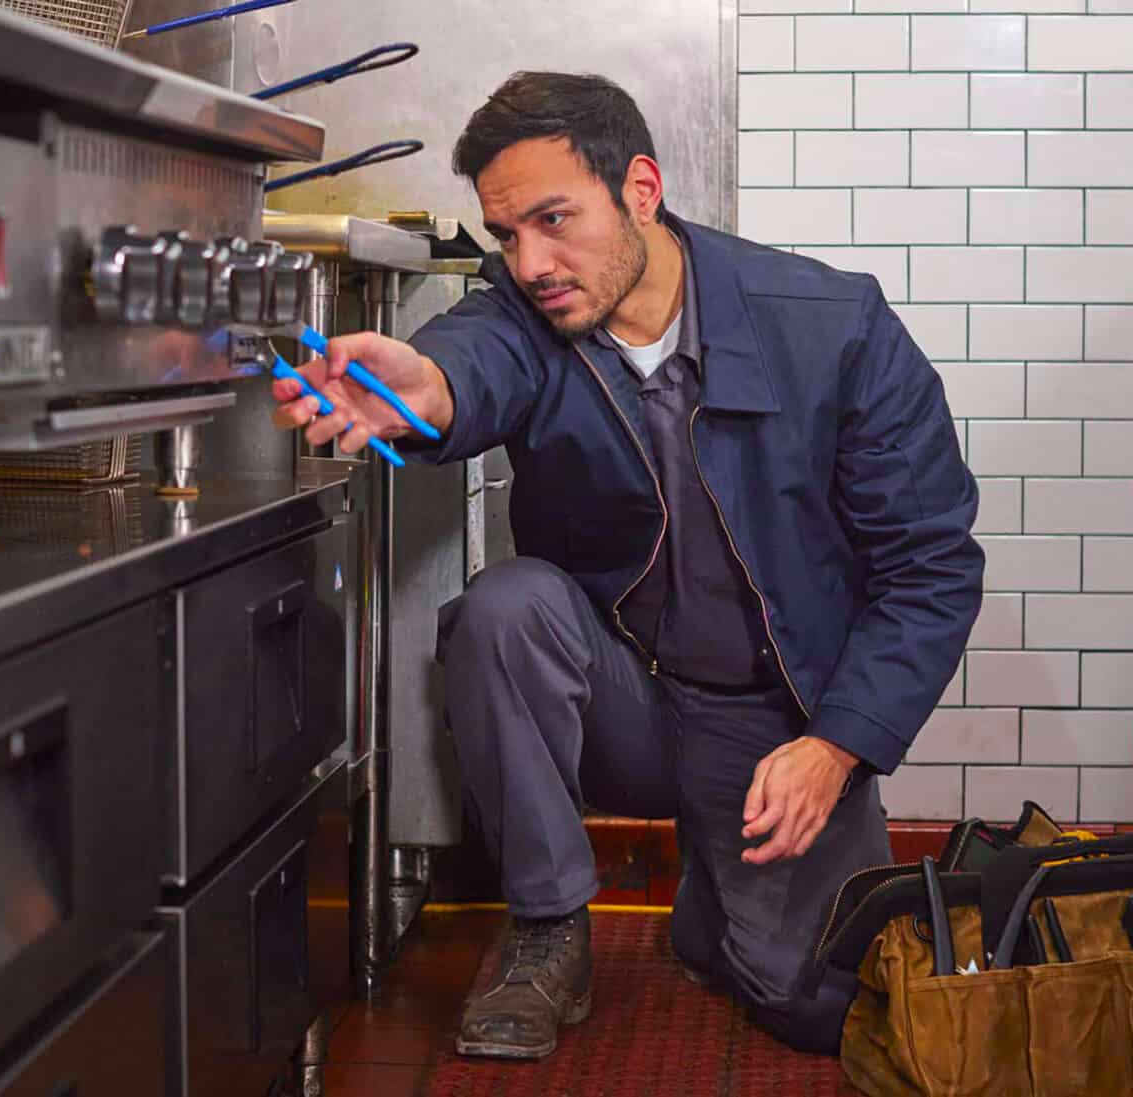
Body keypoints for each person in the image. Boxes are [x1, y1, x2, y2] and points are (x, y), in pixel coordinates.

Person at [269, 71, 983, 1060]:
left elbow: (931, 564)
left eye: (556, 219)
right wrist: (426, 385)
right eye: (508, 234)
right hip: (627, 697)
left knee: (821, 1003)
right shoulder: (524, 315)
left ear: (641, 188)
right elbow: (474, 359)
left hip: (774, 724)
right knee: (504, 610)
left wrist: (839, 745)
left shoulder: (833, 327)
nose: (532, 262)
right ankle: (550, 924)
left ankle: (712, 908)